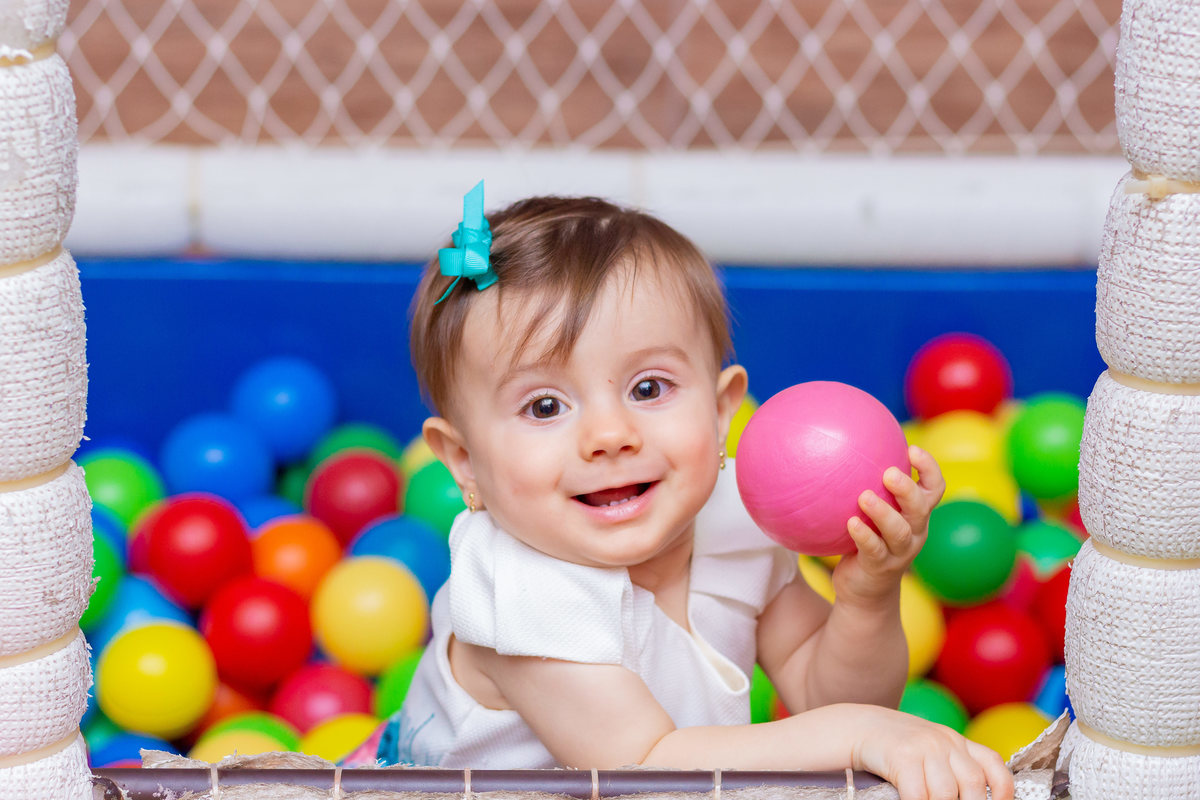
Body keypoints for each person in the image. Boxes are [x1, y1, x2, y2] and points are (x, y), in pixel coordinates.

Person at [345, 182, 1013, 800]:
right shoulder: (521, 595)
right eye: (545, 407)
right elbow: (643, 766)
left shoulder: (734, 520)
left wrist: (867, 598)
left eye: (648, 389)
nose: (609, 434)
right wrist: (859, 736)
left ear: (723, 412)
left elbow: (825, 692)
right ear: (464, 463)